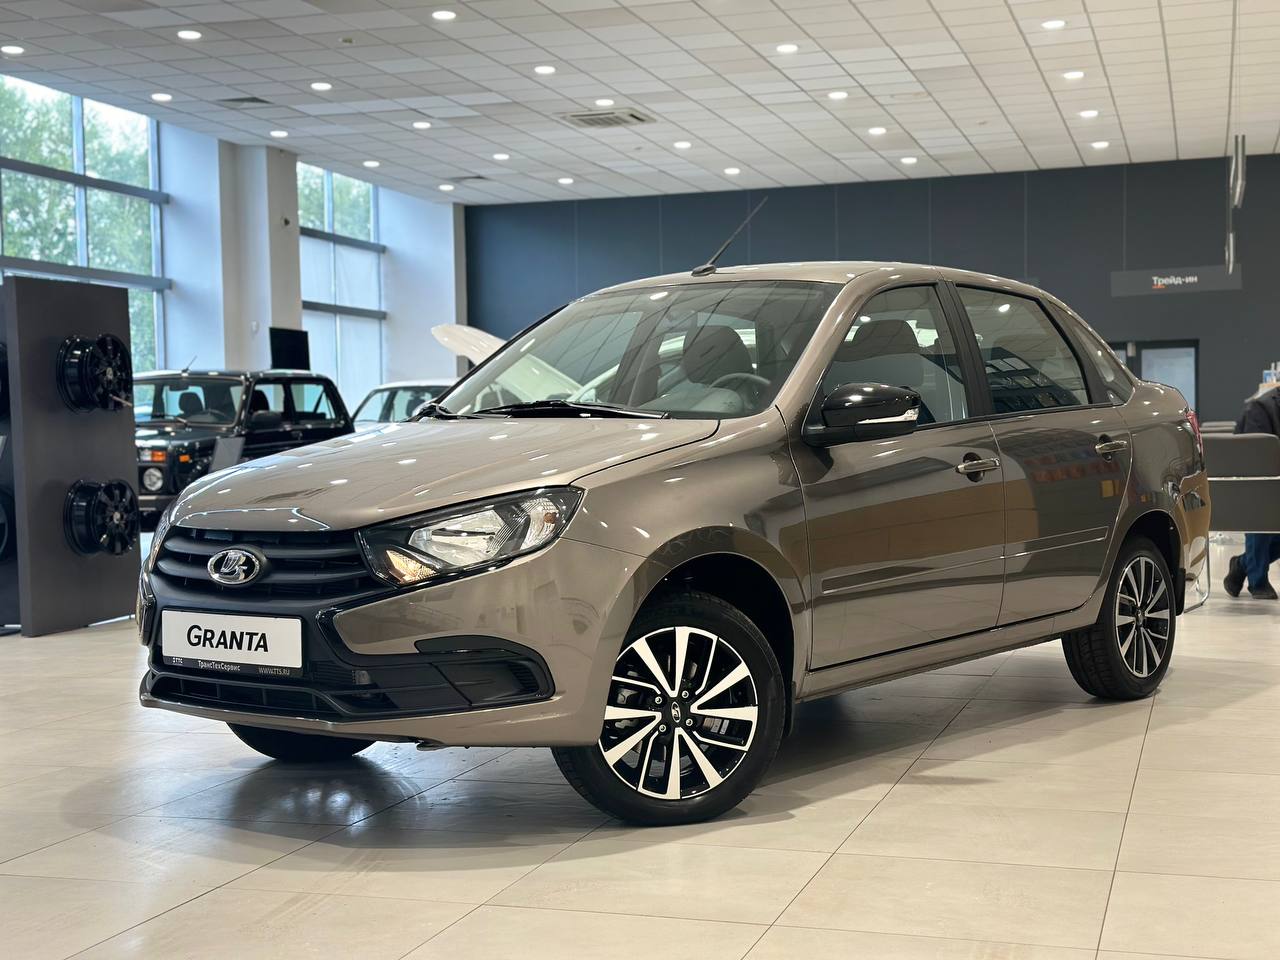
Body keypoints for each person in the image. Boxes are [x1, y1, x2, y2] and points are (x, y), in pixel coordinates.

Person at [1223, 385, 1280, 600]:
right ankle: (1258, 580)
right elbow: (1256, 460)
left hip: (1273, 486)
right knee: (1260, 506)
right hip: (1255, 488)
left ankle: (1242, 564)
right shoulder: (1259, 408)